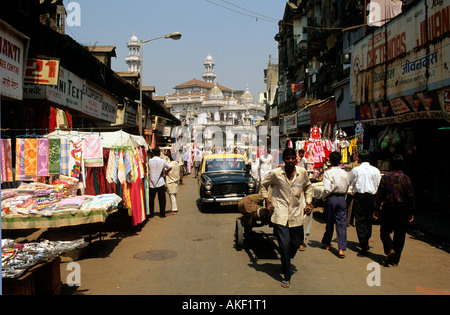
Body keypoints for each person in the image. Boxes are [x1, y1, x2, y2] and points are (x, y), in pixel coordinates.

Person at [260, 148, 313, 288]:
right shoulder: (276, 174)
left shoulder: (302, 173)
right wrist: (267, 201)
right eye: (287, 158)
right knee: (284, 245)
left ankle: (287, 258)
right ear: (283, 160)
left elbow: (308, 187)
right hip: (281, 214)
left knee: (295, 243)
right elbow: (263, 185)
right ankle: (287, 275)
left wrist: (309, 203)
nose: (290, 161)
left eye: (292, 158)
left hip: (296, 214)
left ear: (296, 159)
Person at [374, 155, 415, 266]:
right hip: (403, 208)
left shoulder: (386, 177)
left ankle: (390, 249)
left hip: (389, 207)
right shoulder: (406, 178)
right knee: (400, 233)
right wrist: (411, 211)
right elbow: (410, 196)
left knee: (385, 231)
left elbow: (380, 194)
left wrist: (376, 208)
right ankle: (395, 260)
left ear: (391, 164)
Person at [348, 150, 382, 254]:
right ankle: (365, 239)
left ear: (360, 159)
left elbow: (350, 181)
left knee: (360, 219)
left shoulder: (356, 170)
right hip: (372, 197)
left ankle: (364, 242)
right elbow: (378, 185)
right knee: (368, 218)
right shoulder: (376, 170)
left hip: (360, 196)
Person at [321, 151, 350, 258]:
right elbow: (347, 187)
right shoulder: (345, 173)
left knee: (329, 221)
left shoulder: (328, 173)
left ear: (330, 161)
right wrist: (344, 198)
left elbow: (328, 189)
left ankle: (327, 243)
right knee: (341, 224)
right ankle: (341, 249)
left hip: (331, 198)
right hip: (342, 198)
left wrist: (323, 196)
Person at [148, 148, 172, 218]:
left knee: (151, 199)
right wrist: (165, 172)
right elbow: (170, 167)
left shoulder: (149, 161)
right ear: (159, 153)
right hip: (160, 182)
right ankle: (162, 213)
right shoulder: (162, 161)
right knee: (162, 199)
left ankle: (151, 213)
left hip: (151, 182)